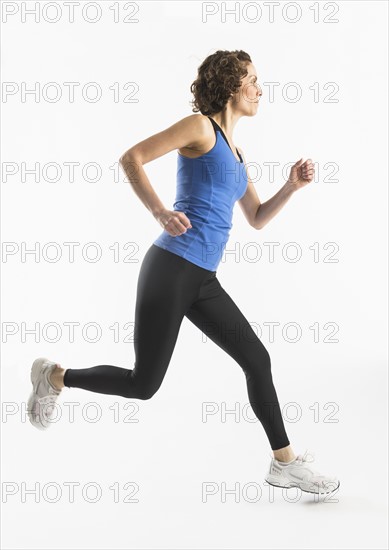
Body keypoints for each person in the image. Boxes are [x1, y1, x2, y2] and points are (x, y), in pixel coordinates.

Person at [27, 49, 339, 496]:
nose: (260, 89)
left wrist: (291, 185)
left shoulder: (236, 150)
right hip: (172, 267)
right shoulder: (199, 127)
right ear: (232, 86)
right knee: (143, 384)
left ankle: (283, 463)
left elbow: (256, 216)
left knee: (257, 359)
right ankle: (54, 376)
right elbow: (131, 157)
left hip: (202, 280)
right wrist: (159, 211)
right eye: (253, 79)